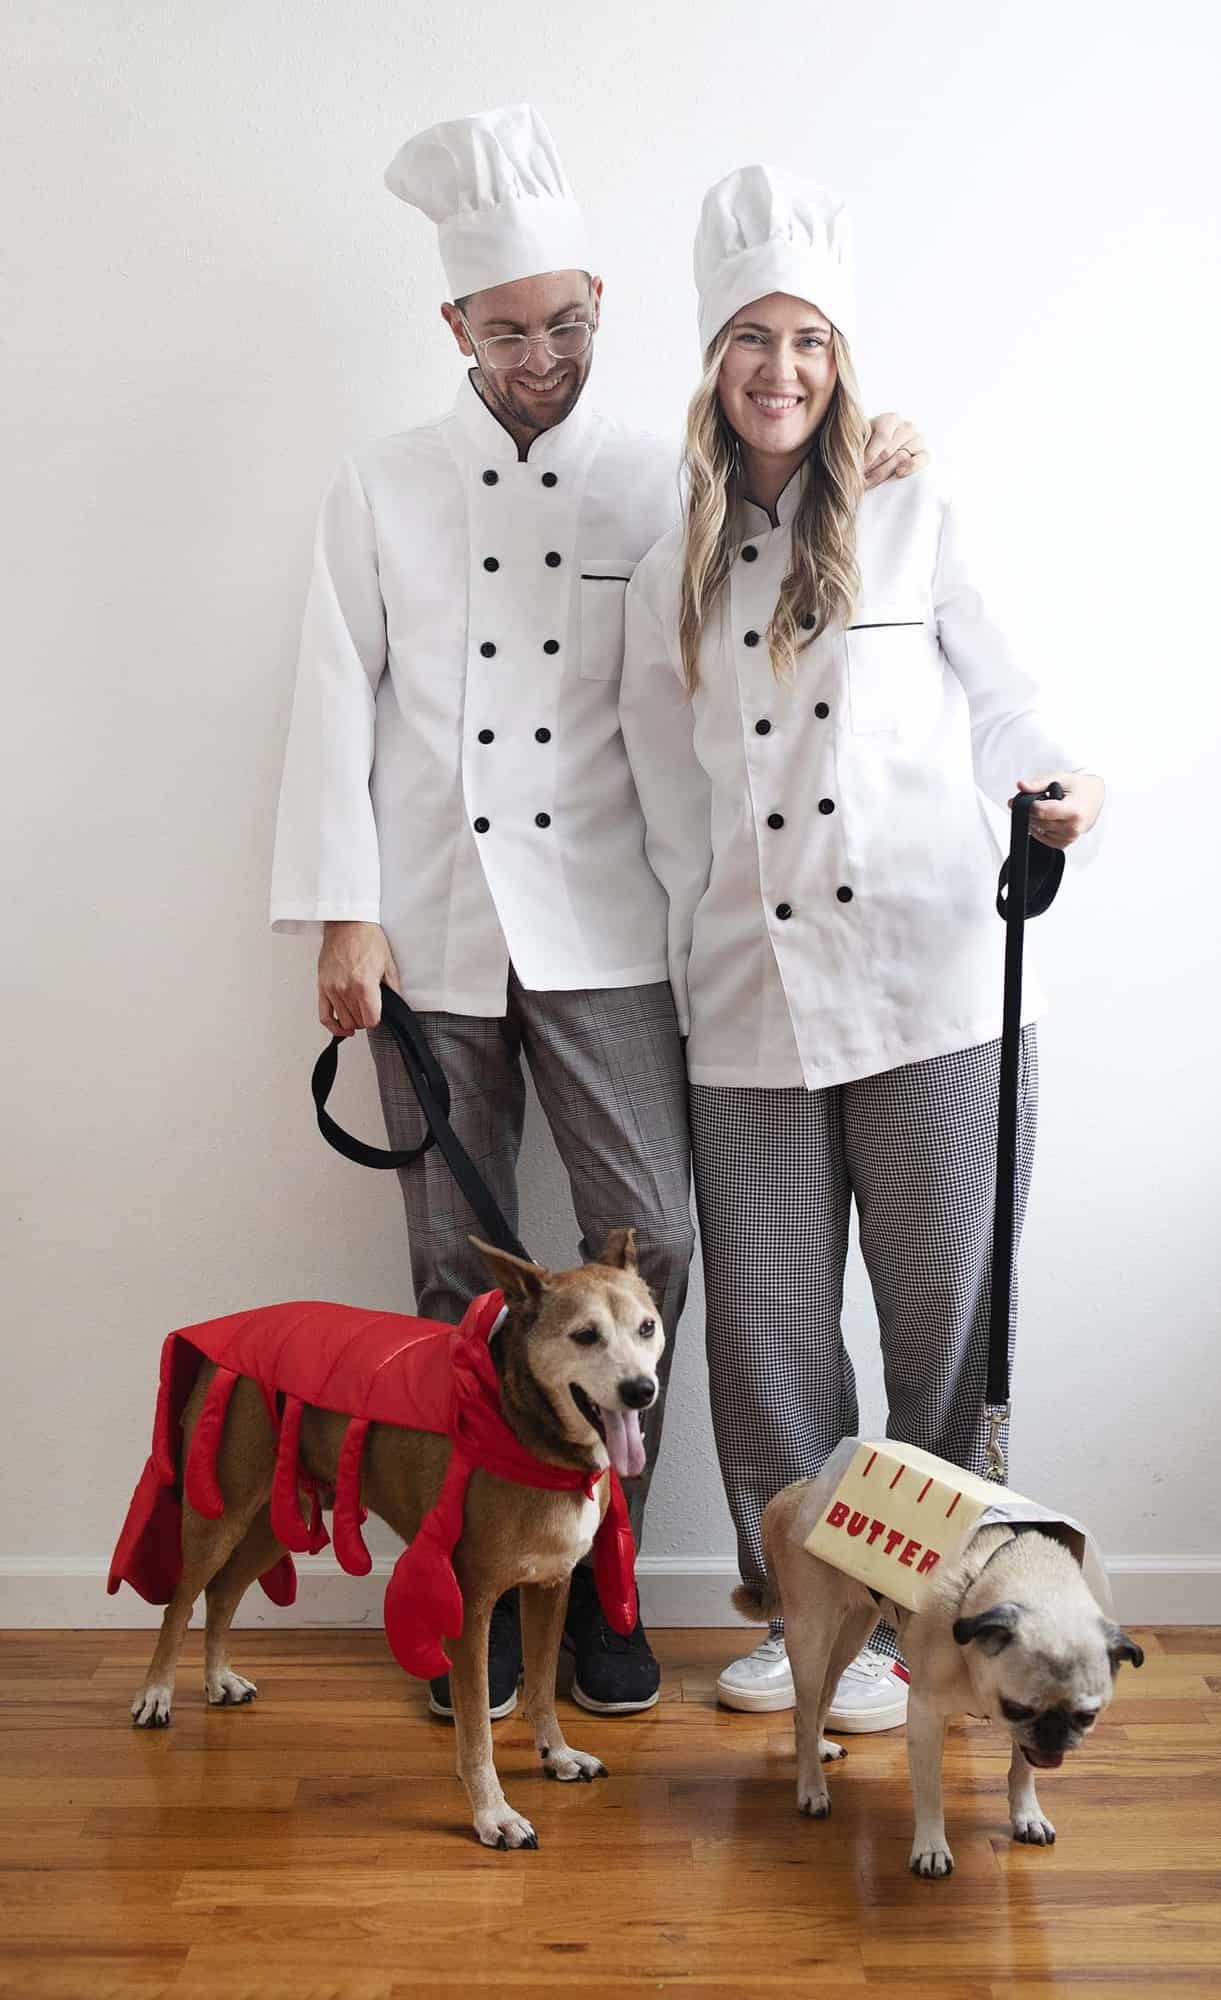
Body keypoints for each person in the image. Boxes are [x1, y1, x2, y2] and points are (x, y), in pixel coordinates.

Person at [270, 112, 927, 1724]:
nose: (546, 355)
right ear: (455, 332)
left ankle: (607, 1574)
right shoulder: (382, 484)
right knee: (449, 1272)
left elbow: (765, 608)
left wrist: (880, 446)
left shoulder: (660, 479)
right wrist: (340, 917)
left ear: (600, 309)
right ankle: (473, 1601)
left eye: (571, 323)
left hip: (616, 924)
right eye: (510, 330)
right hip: (426, 926)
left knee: (653, 1247)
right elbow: (329, 706)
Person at [619, 165, 1104, 1735]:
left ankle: (909, 1625)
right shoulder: (666, 550)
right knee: (767, 1331)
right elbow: (653, 788)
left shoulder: (915, 502)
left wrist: (1064, 784)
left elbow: (1012, 697)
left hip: (931, 978)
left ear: (842, 358)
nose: (781, 371)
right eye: (752, 339)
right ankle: (796, 1612)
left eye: (809, 340)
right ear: (711, 362)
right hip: (746, 994)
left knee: (936, 1314)